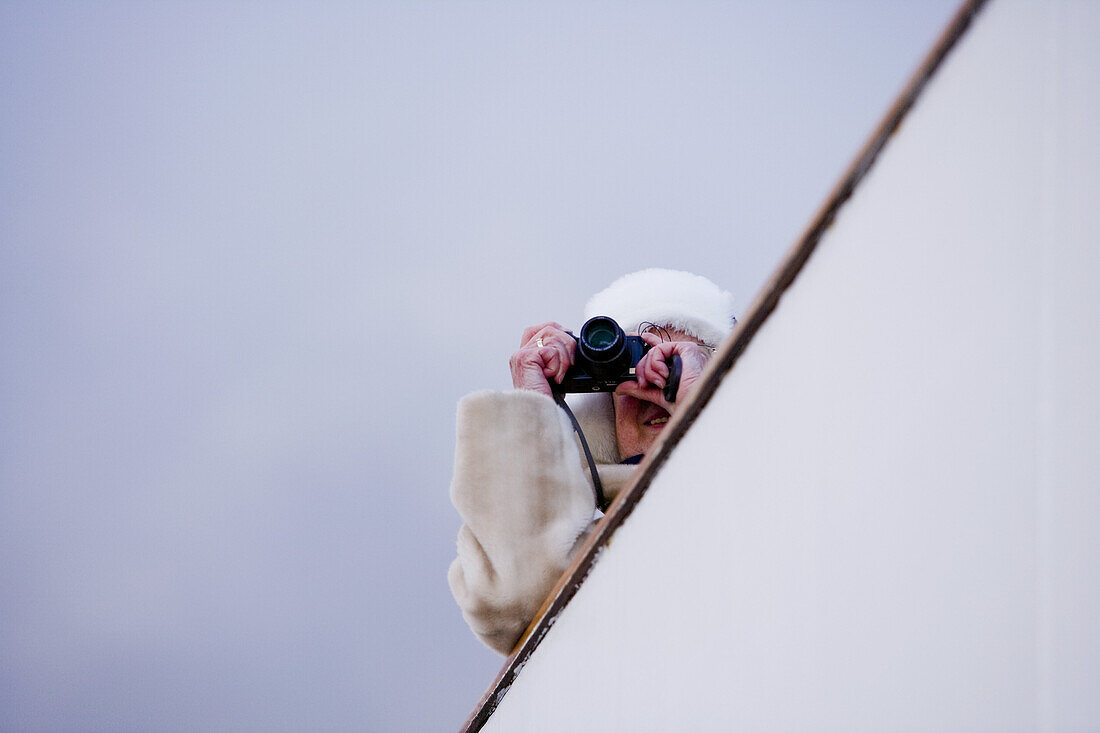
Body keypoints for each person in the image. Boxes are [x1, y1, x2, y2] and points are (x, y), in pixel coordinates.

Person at [447, 269, 736, 654]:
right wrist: (536, 417)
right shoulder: (588, 539)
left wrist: (711, 409)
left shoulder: (779, 470)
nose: (650, 387)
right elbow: (517, 603)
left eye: (674, 363)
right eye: (628, 371)